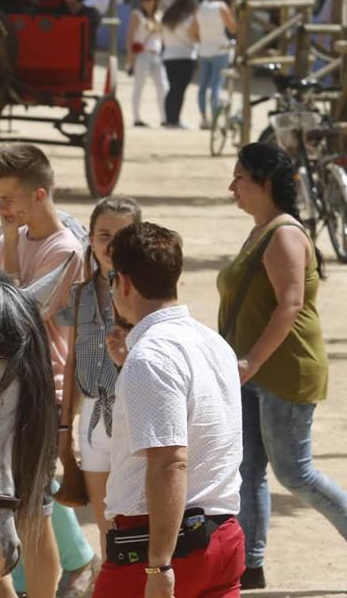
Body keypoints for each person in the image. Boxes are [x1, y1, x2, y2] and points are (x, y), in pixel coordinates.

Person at [221, 143, 346, 590]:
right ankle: (250, 566)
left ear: (264, 183)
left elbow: (289, 305)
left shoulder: (284, 234)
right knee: (247, 469)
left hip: (283, 370)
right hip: (252, 371)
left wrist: (250, 361)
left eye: (239, 178)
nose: (232, 186)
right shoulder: (261, 230)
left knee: (295, 473)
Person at [95, 222, 244, 598]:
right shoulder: (213, 343)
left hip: (161, 544)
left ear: (124, 282)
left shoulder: (151, 356)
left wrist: (158, 565)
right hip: (222, 536)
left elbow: (169, 463)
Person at [0, 143, 93, 598]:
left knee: (34, 514)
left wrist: (9, 241)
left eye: (6, 199)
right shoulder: (11, 229)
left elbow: (17, 314)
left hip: (40, 391)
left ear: (40, 195)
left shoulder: (64, 250)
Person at [58, 197, 142, 558]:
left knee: (136, 519)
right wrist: (64, 432)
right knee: (106, 522)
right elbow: (72, 360)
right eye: (104, 234)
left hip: (133, 414)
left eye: (123, 235)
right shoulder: (81, 295)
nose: (112, 245)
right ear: (90, 239)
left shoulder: (145, 293)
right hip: (92, 420)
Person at [196, 0, 237, 130]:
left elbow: (196, 30)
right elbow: (233, 28)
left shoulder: (201, 6)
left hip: (204, 50)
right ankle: (214, 118)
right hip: (220, 49)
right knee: (215, 87)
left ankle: (203, 119)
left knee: (202, 88)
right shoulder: (222, 7)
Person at [127, 0, 168, 128]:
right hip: (142, 54)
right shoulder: (137, 15)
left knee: (162, 86)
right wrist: (130, 58)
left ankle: (164, 117)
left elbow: (162, 36)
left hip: (156, 53)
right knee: (139, 86)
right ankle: (137, 117)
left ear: (155, 1)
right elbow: (131, 36)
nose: (145, 2)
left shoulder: (159, 15)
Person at [160, 0, 200, 129]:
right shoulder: (189, 18)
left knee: (172, 89)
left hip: (168, 56)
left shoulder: (166, 18)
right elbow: (195, 37)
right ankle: (175, 120)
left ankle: (168, 118)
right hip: (185, 57)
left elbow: (162, 38)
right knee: (180, 90)